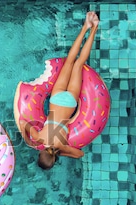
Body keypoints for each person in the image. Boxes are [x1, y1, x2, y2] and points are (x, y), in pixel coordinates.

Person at [18, 11, 100, 170]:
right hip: (55, 99)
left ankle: (95, 27)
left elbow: (79, 154)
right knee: (70, 61)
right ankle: (85, 27)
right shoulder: (39, 139)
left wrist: (61, 152)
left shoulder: (62, 146)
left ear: (54, 159)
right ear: (40, 153)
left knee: (79, 64)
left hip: (70, 103)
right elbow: (22, 122)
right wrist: (26, 138)